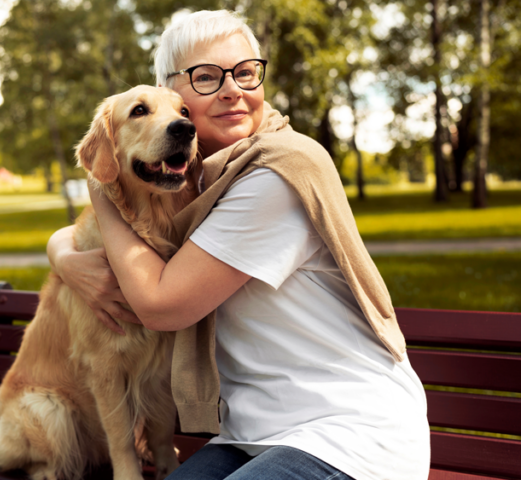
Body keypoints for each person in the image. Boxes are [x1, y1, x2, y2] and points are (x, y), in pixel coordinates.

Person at [47, 10, 429, 480]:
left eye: (246, 72)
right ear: (173, 93)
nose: (233, 89)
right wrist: (62, 254)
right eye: (206, 77)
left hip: (347, 436)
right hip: (253, 434)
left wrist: (100, 188)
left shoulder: (276, 173)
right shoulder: (201, 180)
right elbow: (103, 234)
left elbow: (162, 305)